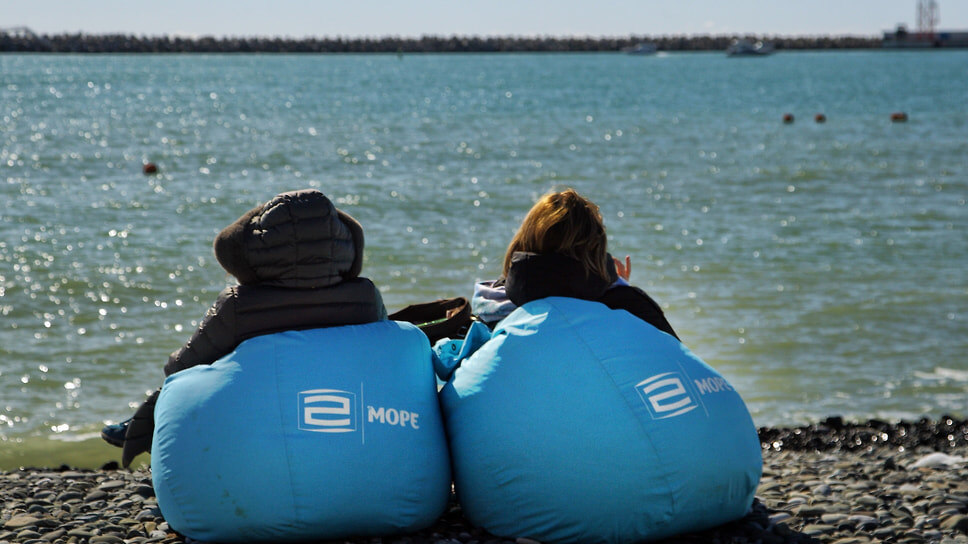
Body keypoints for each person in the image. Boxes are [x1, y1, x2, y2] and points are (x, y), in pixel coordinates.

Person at [101, 189, 387, 467]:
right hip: (341, 418)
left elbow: (181, 368)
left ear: (257, 250)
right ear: (343, 245)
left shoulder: (238, 305)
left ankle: (136, 429)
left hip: (260, 428)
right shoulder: (365, 297)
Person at [471, 188, 678, 339]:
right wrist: (619, 289)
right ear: (596, 247)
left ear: (524, 241)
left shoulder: (492, 307)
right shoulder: (628, 309)